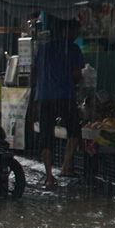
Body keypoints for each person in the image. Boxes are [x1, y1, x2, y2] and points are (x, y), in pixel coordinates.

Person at [34, 18, 87, 187]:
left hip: (44, 96)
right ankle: (65, 166)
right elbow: (77, 73)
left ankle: (49, 175)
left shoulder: (43, 49)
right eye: (74, 32)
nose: (75, 36)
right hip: (65, 95)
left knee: (46, 136)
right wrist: (75, 83)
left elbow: (34, 72)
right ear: (66, 31)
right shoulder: (73, 49)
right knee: (74, 131)